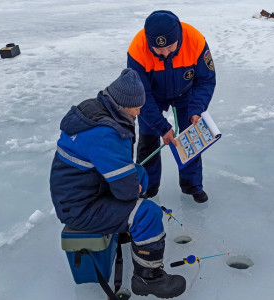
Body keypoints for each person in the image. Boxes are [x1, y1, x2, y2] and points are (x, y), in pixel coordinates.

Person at [49, 68, 186, 298]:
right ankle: (147, 278)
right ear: (123, 104)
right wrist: (133, 187)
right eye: (137, 107)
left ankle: (124, 229)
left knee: (140, 173)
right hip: (80, 208)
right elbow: (126, 191)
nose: (140, 111)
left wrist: (134, 181)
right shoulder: (105, 134)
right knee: (147, 214)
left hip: (83, 193)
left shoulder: (98, 110)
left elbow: (124, 174)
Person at [127, 10, 216, 203]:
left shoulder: (196, 40)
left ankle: (192, 186)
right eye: (158, 50)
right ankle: (147, 188)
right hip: (152, 96)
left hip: (186, 94)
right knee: (148, 142)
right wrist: (161, 126)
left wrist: (196, 109)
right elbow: (141, 94)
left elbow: (206, 80)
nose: (165, 53)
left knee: (190, 141)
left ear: (179, 37)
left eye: (170, 47)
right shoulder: (137, 48)